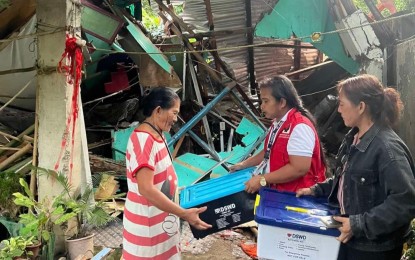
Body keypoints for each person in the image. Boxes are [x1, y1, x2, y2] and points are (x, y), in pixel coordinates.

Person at [296, 74, 415, 260]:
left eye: (342, 104)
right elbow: (345, 179)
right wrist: (316, 190)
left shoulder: (387, 149)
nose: (339, 109)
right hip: (351, 237)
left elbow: (405, 201)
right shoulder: (353, 137)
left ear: (361, 107)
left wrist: (358, 224)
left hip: (374, 248)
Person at [122, 87, 211, 260]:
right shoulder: (144, 140)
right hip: (147, 229)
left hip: (161, 223)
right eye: (174, 113)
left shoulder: (158, 134)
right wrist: (184, 213)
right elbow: (146, 189)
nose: (176, 119)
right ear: (158, 111)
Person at [230, 75, 326, 193]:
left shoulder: (299, 127)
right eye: (261, 101)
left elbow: (299, 169)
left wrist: (263, 179)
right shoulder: (278, 122)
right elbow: (268, 152)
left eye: (266, 101)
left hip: (298, 198)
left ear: (282, 102)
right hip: (281, 193)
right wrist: (243, 164)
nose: (262, 106)